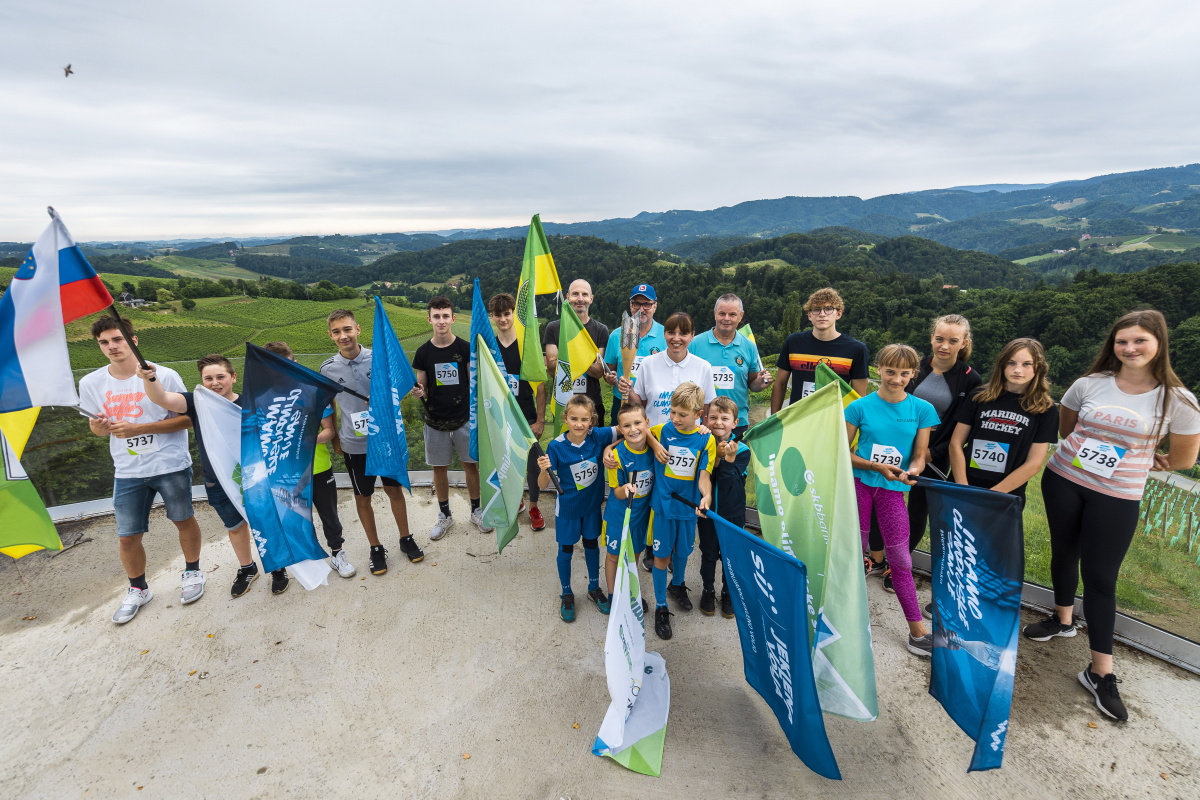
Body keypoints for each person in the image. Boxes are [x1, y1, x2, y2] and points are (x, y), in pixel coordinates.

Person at [1026, 310, 1200, 722]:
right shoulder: (1090, 383)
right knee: (1063, 552)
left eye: (1140, 341)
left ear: (1158, 344)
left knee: (1102, 578)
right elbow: (1067, 430)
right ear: (1112, 345)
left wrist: (1150, 458)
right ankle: (1063, 619)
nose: (1130, 348)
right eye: (1122, 341)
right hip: (1064, 479)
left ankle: (1100, 672)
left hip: (1118, 495)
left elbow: (1184, 458)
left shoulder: (1177, 399)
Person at [79, 318, 202, 625]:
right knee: (127, 536)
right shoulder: (91, 383)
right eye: (104, 342)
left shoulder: (164, 375)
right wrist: (98, 426)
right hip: (127, 469)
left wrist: (139, 428)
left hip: (170, 464)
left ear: (133, 340)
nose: (111, 347)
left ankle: (192, 572)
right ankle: (138, 589)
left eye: (117, 339)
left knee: (183, 519)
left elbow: (188, 419)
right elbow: (97, 430)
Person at [136, 354, 291, 597]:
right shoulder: (197, 403)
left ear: (233, 377)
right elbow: (161, 398)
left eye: (220, 376)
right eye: (208, 378)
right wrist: (150, 378)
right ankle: (247, 568)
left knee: (266, 522)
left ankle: (277, 565)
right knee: (235, 527)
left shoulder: (251, 402)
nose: (215, 382)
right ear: (201, 381)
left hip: (255, 478)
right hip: (217, 480)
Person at [867, 314, 980, 590]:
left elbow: (962, 429)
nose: (944, 346)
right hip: (893, 449)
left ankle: (898, 566)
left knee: (917, 513)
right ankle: (876, 559)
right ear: (931, 338)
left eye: (952, 341)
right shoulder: (914, 368)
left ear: (964, 343)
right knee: (880, 502)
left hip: (934, 457)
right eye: (939, 339)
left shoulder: (970, 380)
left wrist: (929, 453)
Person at [845, 344, 940, 657]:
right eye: (890, 371)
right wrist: (875, 467)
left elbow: (920, 455)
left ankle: (917, 632)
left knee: (900, 560)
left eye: (904, 373)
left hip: (893, 491)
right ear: (879, 370)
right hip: (859, 485)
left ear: (913, 375)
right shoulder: (859, 407)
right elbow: (841, 451)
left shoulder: (922, 409)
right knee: (852, 555)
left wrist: (913, 471)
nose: (896, 379)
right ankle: (842, 623)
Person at [320, 309, 424, 575]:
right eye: (337, 332)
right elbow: (329, 404)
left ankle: (405, 538)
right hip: (354, 445)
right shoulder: (327, 369)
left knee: (393, 491)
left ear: (358, 329)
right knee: (363, 497)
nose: (343, 336)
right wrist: (335, 439)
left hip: (385, 439)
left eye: (347, 329)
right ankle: (375, 547)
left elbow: (399, 389)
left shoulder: (380, 359)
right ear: (330, 335)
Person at [262, 341, 355, 579]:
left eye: (287, 364)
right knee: (299, 518)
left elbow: (329, 431)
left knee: (329, 515)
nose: (283, 370)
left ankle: (337, 553)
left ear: (295, 363)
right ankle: (312, 559)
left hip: (319, 467)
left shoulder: (312, 393)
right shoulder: (262, 400)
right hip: (287, 472)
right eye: (276, 366)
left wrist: (308, 440)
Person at [411, 296, 493, 540]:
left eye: (445, 316)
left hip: (465, 420)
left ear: (453, 318)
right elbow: (422, 387)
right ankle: (445, 515)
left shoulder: (465, 349)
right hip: (435, 422)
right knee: (439, 469)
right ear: (429, 320)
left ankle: (476, 511)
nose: (441, 321)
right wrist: (419, 392)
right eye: (436, 316)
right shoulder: (423, 352)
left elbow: (473, 384)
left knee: (471, 465)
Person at [536, 395, 620, 622]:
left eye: (584, 419)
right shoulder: (556, 447)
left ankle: (594, 588)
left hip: (591, 507)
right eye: (574, 419)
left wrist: (608, 447)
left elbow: (627, 429)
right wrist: (544, 470)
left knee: (592, 545)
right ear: (565, 418)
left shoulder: (597, 436)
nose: (579, 424)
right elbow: (542, 485)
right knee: (566, 550)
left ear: (592, 420)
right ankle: (566, 593)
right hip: (568, 509)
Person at [647, 382, 715, 641]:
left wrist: (706, 496)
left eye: (682, 414)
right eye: (672, 412)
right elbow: (640, 429)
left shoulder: (706, 439)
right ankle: (661, 606)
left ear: (699, 414)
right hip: (664, 507)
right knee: (662, 557)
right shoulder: (663, 430)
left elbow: (704, 475)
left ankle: (676, 585)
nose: (675, 418)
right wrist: (654, 445)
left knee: (683, 552)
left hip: (688, 508)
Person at [489, 293, 548, 530]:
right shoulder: (491, 348)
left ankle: (533, 506)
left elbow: (540, 388)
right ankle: (516, 501)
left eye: (507, 313)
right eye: (498, 315)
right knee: (508, 465)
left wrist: (540, 421)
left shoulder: (527, 347)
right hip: (502, 417)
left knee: (533, 466)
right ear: (492, 317)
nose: (503, 319)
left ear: (513, 313)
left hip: (527, 417)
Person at [695, 395, 751, 618]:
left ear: (735, 423)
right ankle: (708, 590)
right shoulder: (702, 443)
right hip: (708, 513)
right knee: (708, 553)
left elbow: (727, 483)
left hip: (733, 514)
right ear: (706, 419)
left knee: (731, 555)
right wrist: (715, 455)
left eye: (725, 418)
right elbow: (702, 476)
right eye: (714, 417)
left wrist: (728, 458)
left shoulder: (742, 451)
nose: (718, 422)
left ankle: (728, 592)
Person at [771, 287, 869, 413]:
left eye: (828, 309)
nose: (822, 314)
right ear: (809, 315)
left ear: (838, 314)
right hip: (798, 418)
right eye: (816, 309)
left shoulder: (856, 349)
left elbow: (859, 397)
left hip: (833, 420)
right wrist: (774, 419)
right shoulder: (794, 342)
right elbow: (780, 384)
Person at [688, 293, 773, 439]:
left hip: (736, 423)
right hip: (702, 422)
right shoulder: (695, 344)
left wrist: (759, 383)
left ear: (741, 316)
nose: (726, 318)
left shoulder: (749, 347)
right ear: (715, 314)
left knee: (736, 455)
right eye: (722, 313)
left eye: (732, 314)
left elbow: (752, 384)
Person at [623, 311, 716, 428]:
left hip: (688, 437)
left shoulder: (703, 367)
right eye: (671, 332)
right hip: (652, 435)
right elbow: (640, 406)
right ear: (664, 334)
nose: (676, 338)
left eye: (683, 333)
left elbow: (707, 410)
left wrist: (705, 430)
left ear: (692, 335)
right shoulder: (648, 363)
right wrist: (630, 390)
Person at [602, 403, 655, 602]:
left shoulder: (654, 447)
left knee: (634, 556)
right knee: (614, 556)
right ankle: (613, 595)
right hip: (619, 518)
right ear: (620, 429)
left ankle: (631, 593)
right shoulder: (615, 456)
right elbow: (616, 492)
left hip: (641, 517)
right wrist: (625, 489)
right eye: (626, 426)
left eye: (637, 423)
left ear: (647, 422)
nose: (633, 429)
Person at [543, 279, 611, 423]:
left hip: (593, 406)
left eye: (584, 294)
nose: (580, 299)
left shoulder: (601, 330)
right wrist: (586, 360)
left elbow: (598, 371)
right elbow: (552, 369)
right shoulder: (553, 328)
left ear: (591, 299)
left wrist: (568, 357)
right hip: (563, 405)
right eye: (575, 294)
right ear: (567, 298)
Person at [603, 284, 667, 422]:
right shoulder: (616, 335)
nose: (641, 309)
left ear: (655, 306)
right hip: (623, 402)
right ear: (630, 305)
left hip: (655, 404)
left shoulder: (666, 335)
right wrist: (610, 378)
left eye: (647, 304)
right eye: (636, 304)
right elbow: (609, 371)